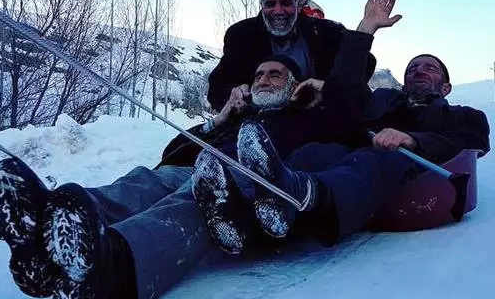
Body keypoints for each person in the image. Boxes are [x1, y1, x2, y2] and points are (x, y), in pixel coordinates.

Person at [0, 0, 398, 299]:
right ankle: (47, 223)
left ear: (295, 84)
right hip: (201, 165)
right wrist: (218, 121)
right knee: (146, 181)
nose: (265, 79)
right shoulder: (240, 113)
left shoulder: (313, 115)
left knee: (194, 199)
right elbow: (173, 153)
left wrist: (363, 31)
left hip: (246, 187)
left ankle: (115, 265)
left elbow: (347, 97)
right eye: (259, 75)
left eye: (276, 74)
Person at [195, 53, 490, 254]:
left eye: (429, 68)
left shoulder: (465, 115)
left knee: (380, 156)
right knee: (316, 152)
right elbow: (348, 95)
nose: (419, 72)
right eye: (412, 69)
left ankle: (298, 195)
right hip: (353, 168)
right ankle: (243, 217)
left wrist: (412, 139)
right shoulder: (383, 102)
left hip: (410, 169)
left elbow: (472, 140)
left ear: (446, 86)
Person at [207, 0, 386, 112]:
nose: (278, 11)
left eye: (285, 3)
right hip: (260, 123)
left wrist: (328, 91)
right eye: (270, 4)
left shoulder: (327, 32)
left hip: (317, 122)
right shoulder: (240, 35)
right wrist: (235, 94)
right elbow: (218, 85)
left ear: (298, 4)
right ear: (261, 5)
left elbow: (362, 65)